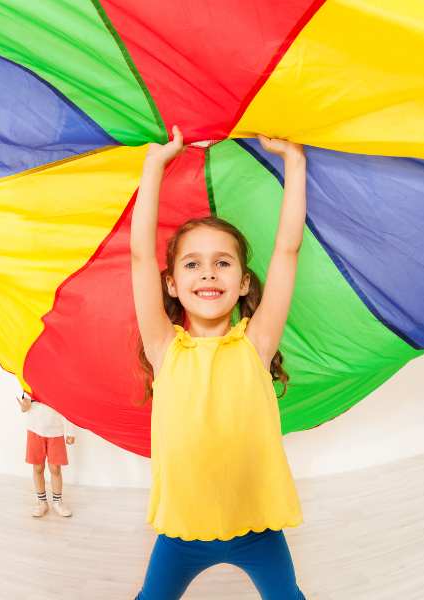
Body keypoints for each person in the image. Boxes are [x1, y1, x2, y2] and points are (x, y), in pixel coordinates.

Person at [131, 127, 307, 599]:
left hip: (257, 528)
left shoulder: (257, 342)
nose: (208, 271)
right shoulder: (164, 347)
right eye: (191, 264)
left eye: (222, 263)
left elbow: (288, 251)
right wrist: (154, 166)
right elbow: (141, 256)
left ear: (245, 282)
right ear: (171, 285)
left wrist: (294, 162)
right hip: (182, 533)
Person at [17, 391, 76, 517]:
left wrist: (70, 432)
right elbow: (26, 404)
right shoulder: (30, 383)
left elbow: (68, 407)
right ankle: (42, 502)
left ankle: (57, 502)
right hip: (35, 429)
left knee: (55, 468)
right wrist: (24, 407)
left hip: (56, 431)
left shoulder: (60, 385)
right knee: (38, 467)